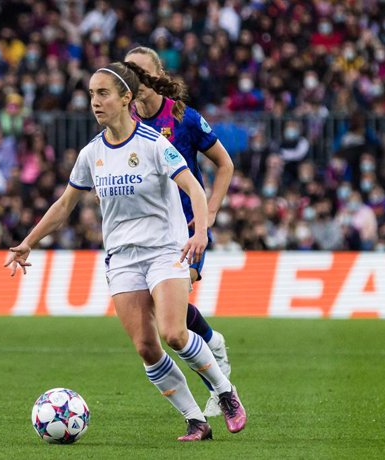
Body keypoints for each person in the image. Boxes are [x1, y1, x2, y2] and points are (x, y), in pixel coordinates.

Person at [5, 63, 246, 441]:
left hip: (166, 250)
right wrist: (28, 242)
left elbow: (195, 189)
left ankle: (225, 392)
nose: (95, 102)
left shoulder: (154, 144)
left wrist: (200, 231)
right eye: (90, 94)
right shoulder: (92, 153)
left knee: (174, 334)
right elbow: (65, 205)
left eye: (102, 94)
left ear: (125, 99)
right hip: (122, 259)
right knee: (147, 348)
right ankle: (196, 420)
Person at [124, 46, 237, 419]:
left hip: (186, 231)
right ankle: (212, 341)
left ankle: (220, 388)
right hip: (147, 234)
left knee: (171, 320)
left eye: (141, 71)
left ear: (157, 74)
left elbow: (224, 164)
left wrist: (212, 211)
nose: (134, 77)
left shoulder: (183, 118)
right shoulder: (124, 121)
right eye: (129, 71)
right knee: (163, 310)